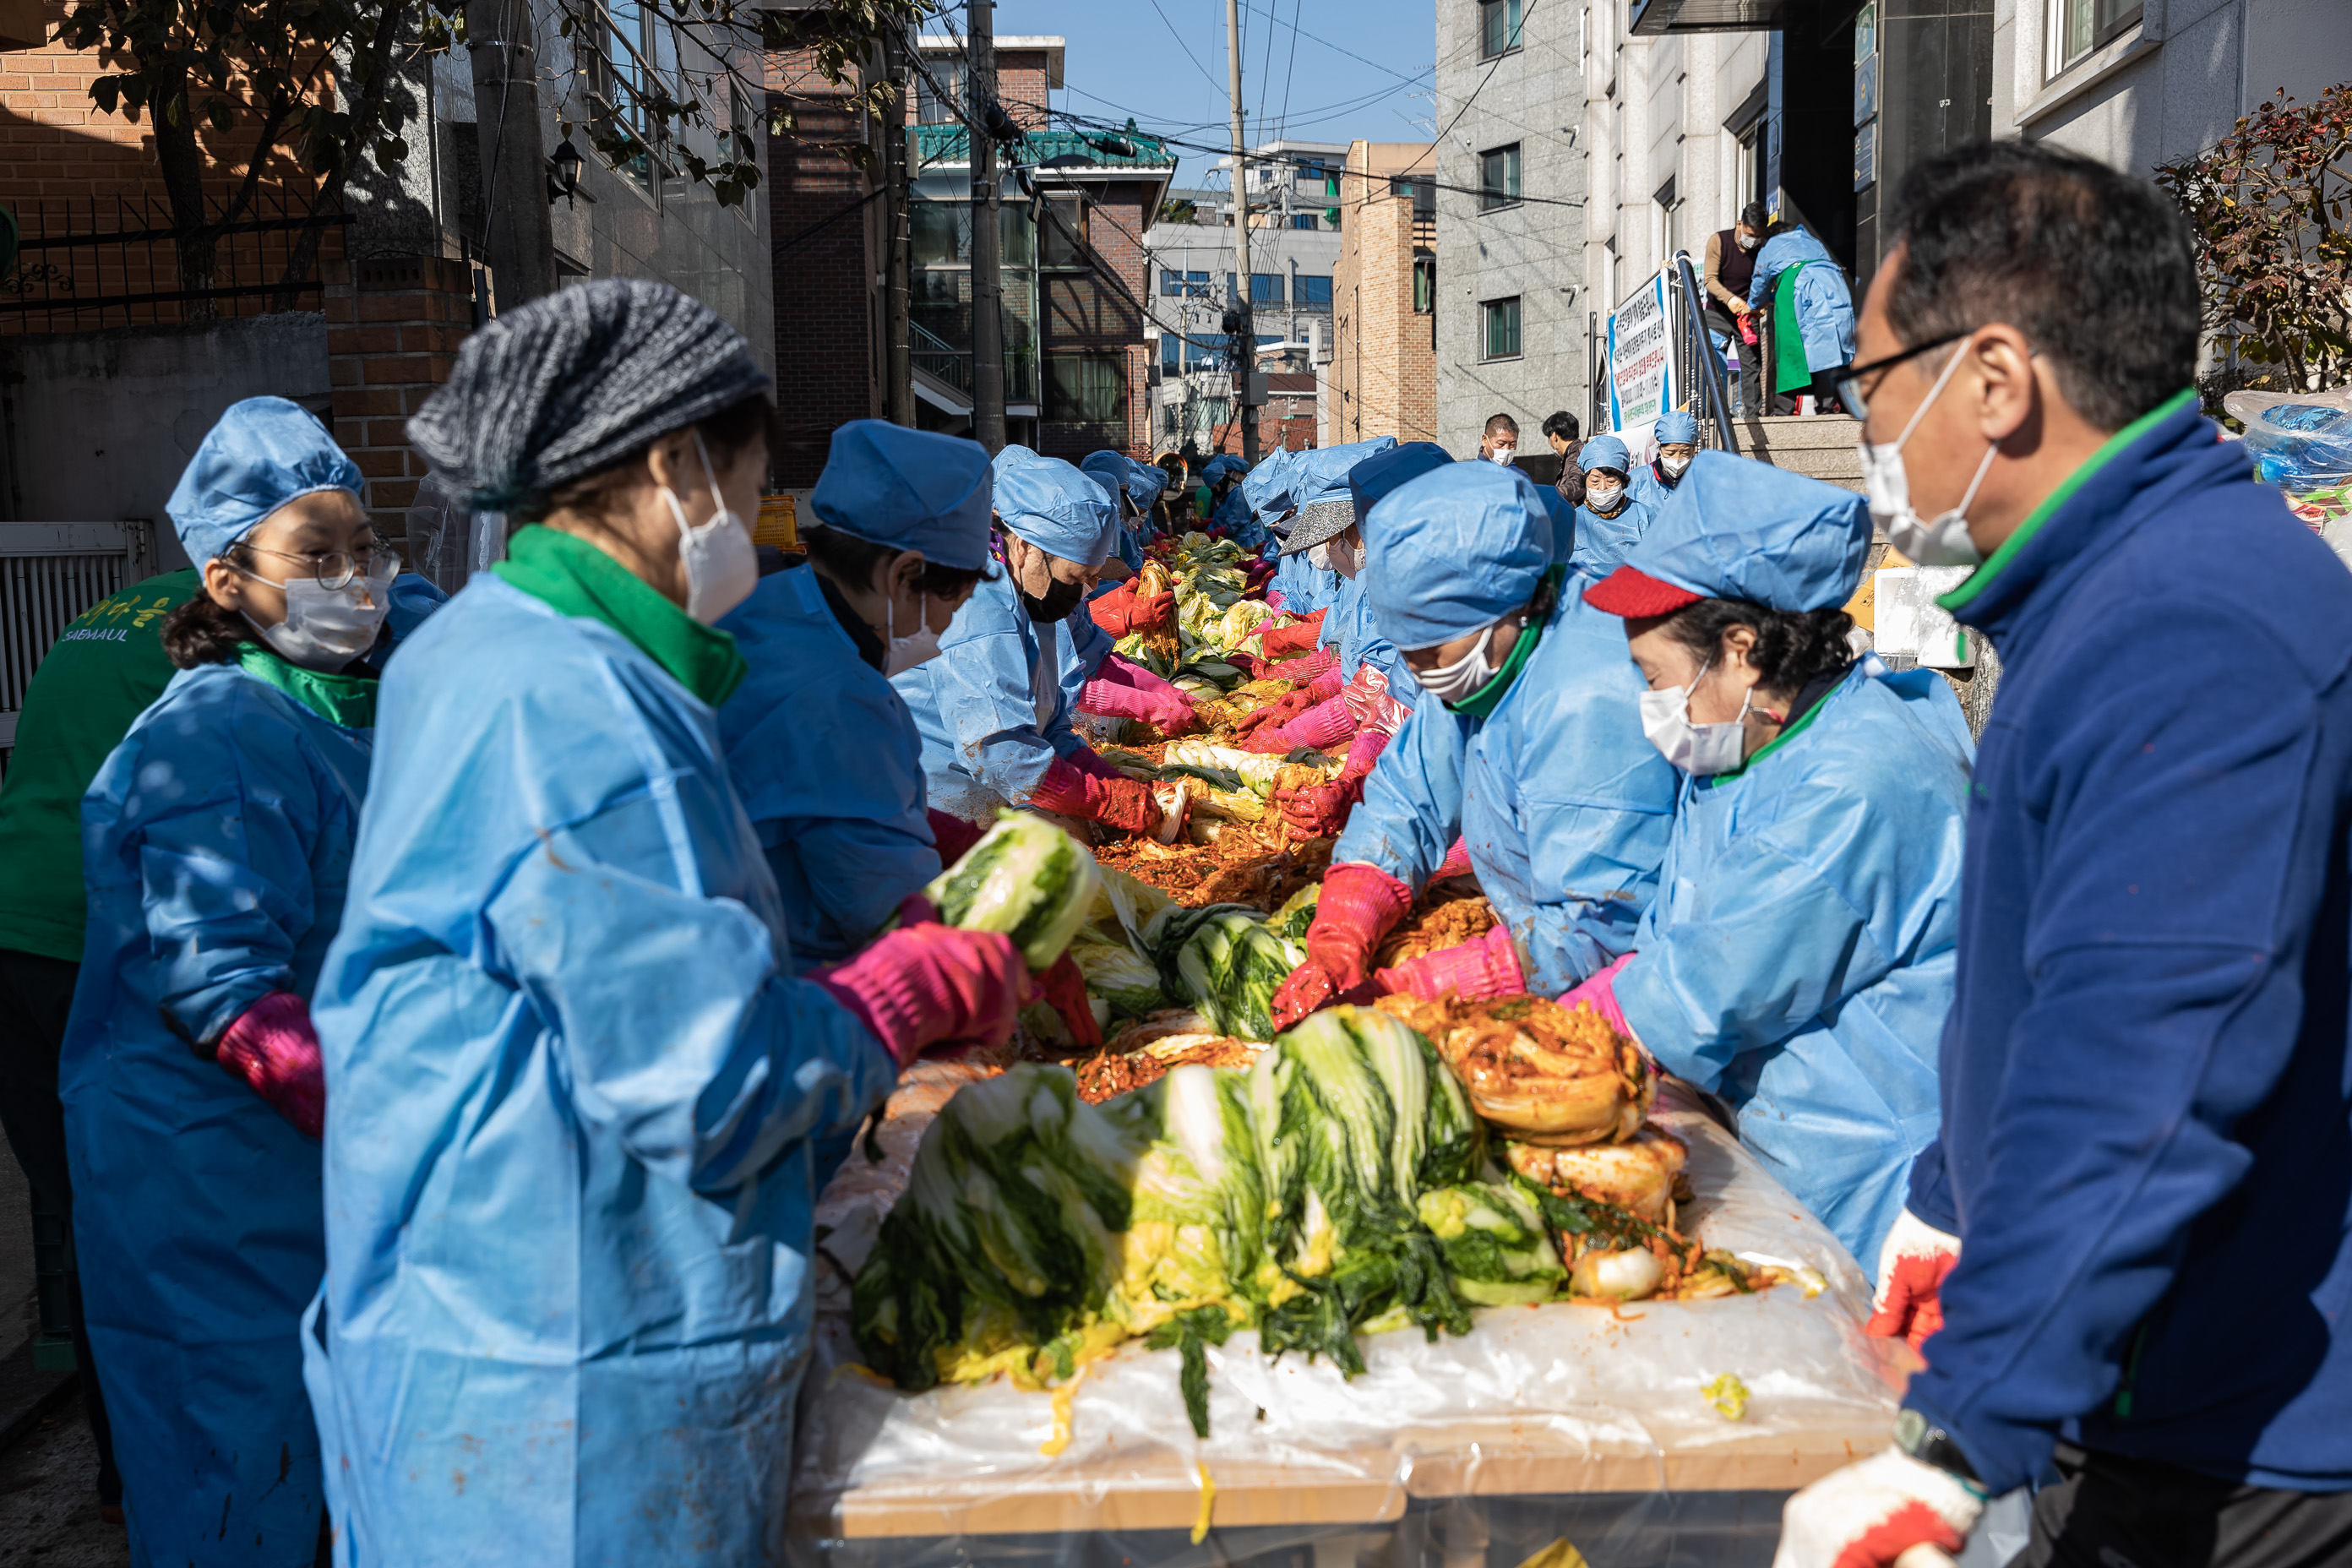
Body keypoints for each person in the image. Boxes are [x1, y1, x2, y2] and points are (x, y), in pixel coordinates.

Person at [302, 280, 1028, 1563]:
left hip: (500, 1320)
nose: (751, 530)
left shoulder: (489, 648)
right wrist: (894, 997)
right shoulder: (572, 704)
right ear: (670, 467)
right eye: (747, 492)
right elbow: (705, 1074)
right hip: (570, 1387)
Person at [1778, 142, 2352, 1568]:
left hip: (2238, 1439)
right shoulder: (2107, 591)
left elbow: (2142, 1053)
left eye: (1867, 385)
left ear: (1990, 380)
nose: (1865, 431)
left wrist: (1972, 1427)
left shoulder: (2185, 625)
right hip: (2152, 1376)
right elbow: (2043, 976)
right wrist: (1947, 1197)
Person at [57, 396, 427, 1565]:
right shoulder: (214, 733)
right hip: (204, 1174)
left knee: (322, 1456)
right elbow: (226, 991)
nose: (352, 580)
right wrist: (401, 1120)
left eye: (364, 550)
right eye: (315, 557)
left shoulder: (340, 713)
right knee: (239, 1463)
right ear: (225, 582)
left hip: (301, 1163)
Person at [1565, 451, 1968, 1269]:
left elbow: (1697, 989)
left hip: (1881, 1210)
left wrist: (1520, 1044)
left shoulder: (1856, 784)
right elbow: (1672, 934)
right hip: (1775, 1169)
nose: (1654, 707)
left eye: (1657, 678)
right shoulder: (1748, 750)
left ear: (1741, 649)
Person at [1269, 454, 1680, 1024]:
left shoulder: (1593, 694)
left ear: (1504, 606)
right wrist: (1347, 920)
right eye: (1413, 653)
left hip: (1635, 999)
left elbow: (1596, 928)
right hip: (1538, 941)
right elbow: (1410, 794)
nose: (1424, 671)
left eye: (1434, 651)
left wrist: (1416, 986)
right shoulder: (1478, 666)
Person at [0, 569, 199, 1523]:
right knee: (148, 1213)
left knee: (81, 1209)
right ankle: (171, 1470)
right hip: (95, 942)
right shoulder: (222, 628)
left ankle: (124, 1469)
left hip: (14, 932)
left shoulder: (104, 612)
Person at [716, 421, 994, 972]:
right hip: (787, 978)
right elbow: (890, 919)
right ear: (905, 575)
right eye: (952, 607)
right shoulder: (841, 699)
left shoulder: (763, 599)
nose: (943, 634)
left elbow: (824, 804)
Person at [894, 455, 1162, 839]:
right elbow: (999, 752)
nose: (1078, 592)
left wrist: (1109, 778)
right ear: (1022, 547)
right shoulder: (974, 602)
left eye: (1088, 578)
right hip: (929, 798)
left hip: (985, 789)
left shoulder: (1033, 596)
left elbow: (1047, 724)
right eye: (1074, 578)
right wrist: (1103, 799)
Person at [1750, 219, 1857, 414]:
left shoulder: (1771, 245)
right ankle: (1828, 405)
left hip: (1799, 287)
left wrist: (1753, 306)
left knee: (1791, 348)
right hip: (1835, 286)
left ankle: (1784, 408)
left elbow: (1760, 280)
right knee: (1831, 347)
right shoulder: (1812, 241)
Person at [1704, 201, 1769, 415]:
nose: (1752, 241)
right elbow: (1710, 280)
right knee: (1712, 359)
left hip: (1748, 315)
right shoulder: (1719, 241)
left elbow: (1768, 281)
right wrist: (1730, 300)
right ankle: (1714, 411)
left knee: (1752, 365)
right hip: (1718, 311)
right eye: (1749, 234)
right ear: (1739, 224)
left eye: (1757, 237)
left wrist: (1760, 305)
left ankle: (1752, 414)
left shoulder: (1764, 248)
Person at [1573, 433, 1654, 569]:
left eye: (1611, 481)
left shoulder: (1645, 517)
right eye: (1595, 481)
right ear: (1585, 481)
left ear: (1623, 483)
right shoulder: (1572, 520)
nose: (1603, 488)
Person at [1629, 409, 1700, 507]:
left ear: (1694, 447)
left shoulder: (1703, 480)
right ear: (1659, 446)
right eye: (1670, 453)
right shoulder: (1638, 481)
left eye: (1685, 453)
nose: (1677, 459)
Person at [1543, 409, 1585, 509]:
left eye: (1549, 437)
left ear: (1554, 435)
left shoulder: (1576, 454)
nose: (1550, 443)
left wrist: (1548, 494)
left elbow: (1577, 484)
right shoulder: (1572, 454)